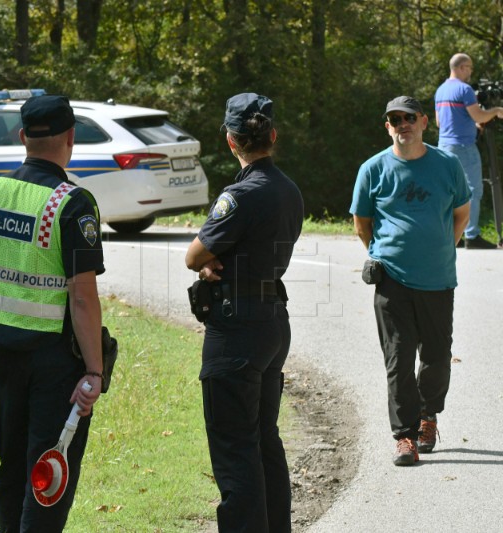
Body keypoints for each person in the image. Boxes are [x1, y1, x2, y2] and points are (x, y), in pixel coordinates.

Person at [0, 94, 105, 532]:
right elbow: (82, 298)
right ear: (71, 139)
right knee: (48, 474)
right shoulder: (72, 203)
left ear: (23, 137)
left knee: (12, 468)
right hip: (55, 366)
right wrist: (95, 371)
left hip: (2, 357)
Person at [185, 93, 303, 533]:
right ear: (272, 136)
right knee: (264, 442)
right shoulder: (289, 190)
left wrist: (211, 261)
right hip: (273, 320)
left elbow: (194, 256)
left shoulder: (240, 194)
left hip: (236, 327)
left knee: (235, 452)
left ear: (231, 141)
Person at [351, 96, 471, 466]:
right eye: (394, 119)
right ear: (388, 126)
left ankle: (427, 415)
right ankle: (404, 436)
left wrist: (439, 250)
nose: (402, 124)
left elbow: (462, 214)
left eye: (408, 118)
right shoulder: (372, 169)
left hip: (438, 279)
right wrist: (387, 254)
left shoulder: (447, 165)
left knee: (436, 358)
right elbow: (362, 224)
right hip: (393, 281)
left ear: (424, 121)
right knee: (399, 359)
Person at [434, 52, 503, 249]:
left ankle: (452, 235)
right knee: (473, 190)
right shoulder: (464, 89)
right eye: (470, 68)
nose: (471, 72)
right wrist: (496, 111)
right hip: (464, 147)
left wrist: (472, 126)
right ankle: (471, 235)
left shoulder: (441, 90)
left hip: (444, 146)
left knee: (450, 191)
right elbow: (479, 115)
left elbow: (440, 122)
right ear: (462, 67)